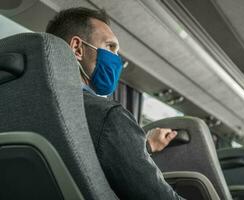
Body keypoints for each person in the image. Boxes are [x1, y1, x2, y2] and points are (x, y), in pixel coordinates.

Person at [46, 7, 184, 199]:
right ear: (78, 48)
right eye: (110, 47)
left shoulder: (28, 110)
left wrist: (145, 146)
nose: (116, 59)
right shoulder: (108, 115)